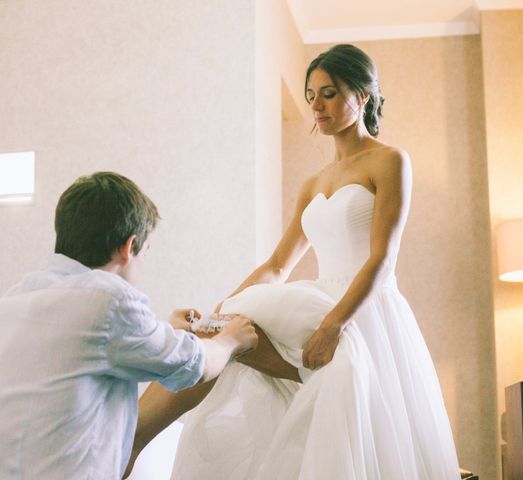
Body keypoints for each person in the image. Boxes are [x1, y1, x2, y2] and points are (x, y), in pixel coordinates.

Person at [136, 43, 461, 479]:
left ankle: (129, 440)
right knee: (227, 335)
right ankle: (133, 439)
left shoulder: (389, 161)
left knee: (278, 358)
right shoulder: (314, 182)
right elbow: (276, 266)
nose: (317, 106)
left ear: (362, 95)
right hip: (318, 301)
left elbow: (383, 259)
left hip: (364, 310)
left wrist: (334, 325)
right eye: (311, 96)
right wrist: (219, 312)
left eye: (328, 93)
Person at [0, 172, 258, 480]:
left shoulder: (17, 297)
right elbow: (196, 365)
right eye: (145, 252)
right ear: (129, 246)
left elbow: (93, 345)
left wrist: (168, 332)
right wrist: (231, 339)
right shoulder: (110, 299)